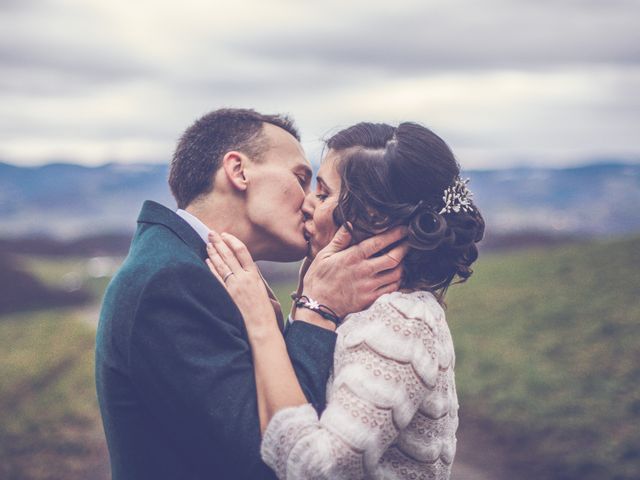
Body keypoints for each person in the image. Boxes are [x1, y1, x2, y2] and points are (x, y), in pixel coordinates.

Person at [95, 109, 409, 479]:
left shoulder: (193, 268)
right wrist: (315, 309)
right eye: (301, 178)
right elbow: (270, 463)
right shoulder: (170, 281)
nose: (311, 203)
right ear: (239, 171)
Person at [206, 121, 485, 479]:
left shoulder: (402, 319)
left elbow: (316, 469)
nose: (306, 204)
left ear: (374, 217)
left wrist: (262, 324)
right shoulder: (362, 308)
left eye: (322, 194)